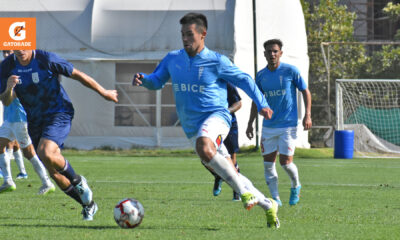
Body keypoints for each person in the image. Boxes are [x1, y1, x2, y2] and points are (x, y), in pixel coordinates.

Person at [132, 12, 280, 228]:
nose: (185, 39)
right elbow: (156, 81)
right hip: (192, 127)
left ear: (203, 34)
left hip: (217, 118)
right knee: (229, 171)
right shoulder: (173, 59)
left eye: (189, 35)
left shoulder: (217, 61)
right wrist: (144, 80)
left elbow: (245, 80)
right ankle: (268, 205)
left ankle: (243, 195)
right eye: (182, 35)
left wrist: (263, 103)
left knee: (206, 145)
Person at [0, 49, 118, 220]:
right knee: (52, 170)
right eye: (15, 48)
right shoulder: (7, 66)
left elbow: (77, 74)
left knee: (45, 152)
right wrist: (10, 88)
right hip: (35, 121)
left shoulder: (45, 59)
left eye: (23, 46)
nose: (20, 51)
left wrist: (104, 92)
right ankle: (88, 205)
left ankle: (77, 180)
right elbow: (5, 100)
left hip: (58, 112)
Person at [246, 39, 312, 206]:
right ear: (264, 54)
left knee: (286, 163)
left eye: (275, 51)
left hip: (288, 125)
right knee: (268, 164)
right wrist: (250, 123)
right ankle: (275, 198)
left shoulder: (290, 71)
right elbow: (256, 100)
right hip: (268, 127)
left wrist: (307, 115)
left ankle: (296, 185)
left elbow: (305, 91)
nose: (272, 54)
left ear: (281, 53)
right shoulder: (261, 76)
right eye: (269, 51)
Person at [0, 96, 56, 195]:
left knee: (28, 152)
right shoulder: (5, 81)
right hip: (9, 120)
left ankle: (47, 183)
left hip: (20, 120)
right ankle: (8, 181)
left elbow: (9, 97)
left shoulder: (15, 81)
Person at [212, 82, 242, 201]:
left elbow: (238, 103)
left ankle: (237, 190)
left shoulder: (227, 83)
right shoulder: (205, 81)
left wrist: (225, 112)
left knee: (231, 159)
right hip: (211, 125)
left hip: (229, 125)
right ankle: (218, 175)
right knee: (206, 157)